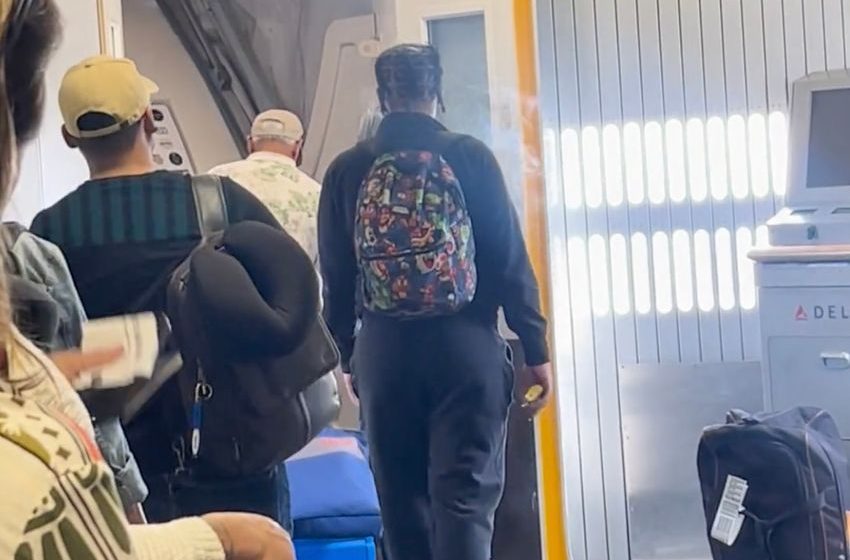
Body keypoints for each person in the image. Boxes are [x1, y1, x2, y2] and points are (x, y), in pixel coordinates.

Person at [0, 0, 293, 558]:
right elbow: (294, 302)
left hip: (128, 477)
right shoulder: (220, 203)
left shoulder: (45, 236)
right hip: (236, 453)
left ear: (68, 137)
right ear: (150, 119)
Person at [318, 44, 554, 560]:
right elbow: (510, 259)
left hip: (384, 351)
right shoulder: (469, 157)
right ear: (436, 92)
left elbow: (335, 275)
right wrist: (535, 349)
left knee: (401, 506)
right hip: (466, 347)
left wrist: (346, 354)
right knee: (465, 500)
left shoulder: (347, 170)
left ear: (383, 97)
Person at [4, 221, 149, 522]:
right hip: (45, 508)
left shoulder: (49, 223)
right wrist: (130, 508)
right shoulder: (26, 255)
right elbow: (93, 406)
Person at [210, 109, 321, 265]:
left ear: (250, 143)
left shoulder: (215, 178)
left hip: (221, 282)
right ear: (297, 147)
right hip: (290, 285)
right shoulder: (316, 193)